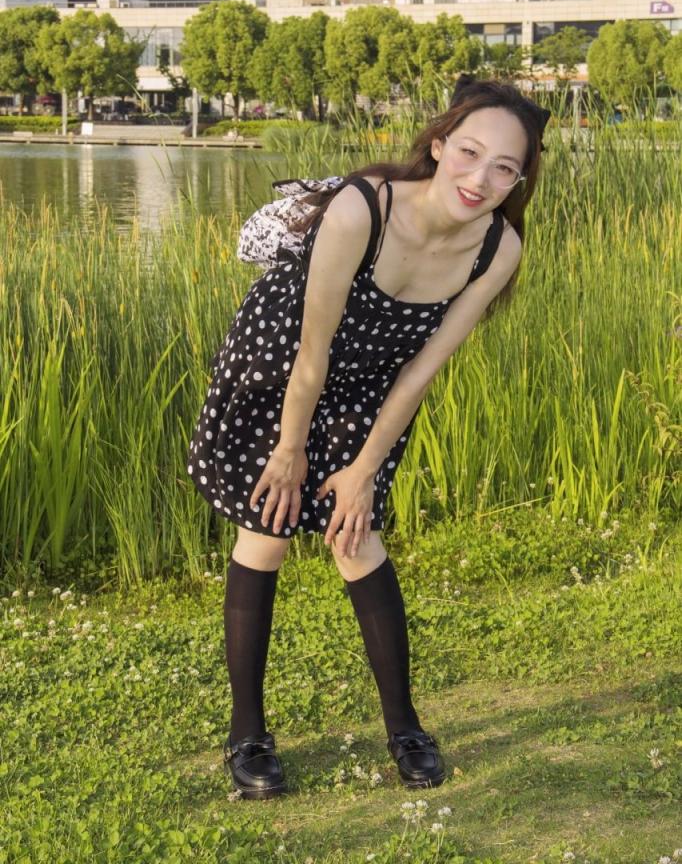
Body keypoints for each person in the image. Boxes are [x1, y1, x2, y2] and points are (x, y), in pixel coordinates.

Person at [187, 75, 549, 800]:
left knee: (356, 536)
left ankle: (405, 729)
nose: (481, 179)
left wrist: (362, 472)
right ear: (439, 145)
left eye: (504, 168)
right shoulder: (364, 207)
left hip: (373, 384)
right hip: (283, 362)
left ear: (519, 180)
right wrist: (289, 451)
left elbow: (420, 373)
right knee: (268, 529)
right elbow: (311, 351)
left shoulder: (497, 248)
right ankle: (247, 735)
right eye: (470, 153)